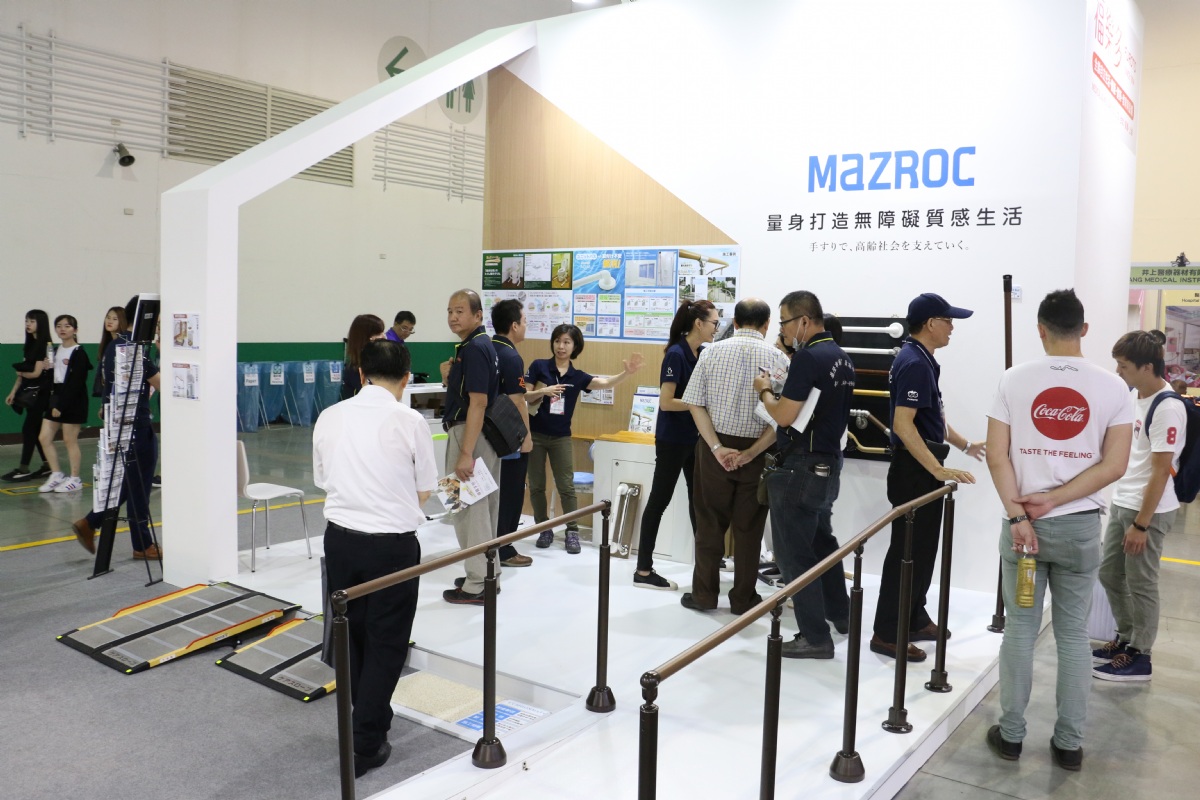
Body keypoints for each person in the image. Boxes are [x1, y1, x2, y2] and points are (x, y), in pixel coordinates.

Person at [984, 289, 1132, 770]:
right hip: (1079, 530)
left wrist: (1021, 515)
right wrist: (1058, 499)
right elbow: (1114, 466)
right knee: (1072, 636)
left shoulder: (1013, 379)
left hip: (1023, 532)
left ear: (1041, 329)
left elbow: (996, 455)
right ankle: (1069, 743)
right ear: (1084, 329)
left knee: (1020, 631)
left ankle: (1010, 736)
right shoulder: (1114, 388)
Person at [313, 339, 436, 779]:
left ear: (362, 374)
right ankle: (365, 743)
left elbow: (323, 478)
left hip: (340, 541)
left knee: (352, 635)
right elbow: (424, 489)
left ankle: (367, 717)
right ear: (406, 378)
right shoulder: (410, 420)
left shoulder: (330, 415)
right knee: (387, 641)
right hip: (392, 547)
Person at [870, 293, 984, 662]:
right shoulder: (915, 363)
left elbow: (933, 416)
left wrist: (966, 445)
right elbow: (903, 425)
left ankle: (915, 618)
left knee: (922, 551)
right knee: (906, 553)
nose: (952, 327)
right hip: (914, 471)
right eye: (948, 321)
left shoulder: (923, 360)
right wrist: (935, 468)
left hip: (923, 468)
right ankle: (887, 633)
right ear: (931, 323)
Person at [754, 291, 853, 658]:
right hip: (828, 464)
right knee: (822, 544)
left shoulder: (809, 358)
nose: (782, 330)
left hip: (800, 467)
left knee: (795, 555)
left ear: (804, 321)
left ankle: (814, 636)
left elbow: (784, 415)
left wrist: (765, 391)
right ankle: (841, 615)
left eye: (784, 322)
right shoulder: (842, 357)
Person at [680, 298, 789, 615]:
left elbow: (694, 403)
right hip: (758, 452)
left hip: (714, 448)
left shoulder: (710, 353)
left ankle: (704, 595)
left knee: (709, 523)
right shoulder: (779, 359)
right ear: (766, 325)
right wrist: (751, 453)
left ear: (736, 323)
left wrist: (716, 448)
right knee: (749, 528)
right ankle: (743, 599)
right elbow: (782, 418)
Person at [1093, 331, 1185, 682]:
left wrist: (1142, 524)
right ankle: (1127, 638)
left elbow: (1161, 470)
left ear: (1147, 367)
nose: (1118, 372)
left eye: (1124, 366)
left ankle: (1140, 655)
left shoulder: (1168, 407)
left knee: (1142, 583)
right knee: (1110, 574)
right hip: (1124, 500)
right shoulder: (1135, 397)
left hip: (1149, 510)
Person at [526, 324, 644, 554]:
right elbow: (524, 395)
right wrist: (543, 391)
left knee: (566, 486)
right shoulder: (539, 366)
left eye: (566, 342)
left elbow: (605, 383)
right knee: (537, 485)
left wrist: (626, 373)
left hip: (561, 437)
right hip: (535, 435)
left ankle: (572, 531)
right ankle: (543, 528)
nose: (561, 346)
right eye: (557, 341)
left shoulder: (577, 376)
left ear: (575, 346)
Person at [633, 299, 718, 590]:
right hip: (672, 440)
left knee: (699, 501)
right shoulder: (676, 354)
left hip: (693, 438)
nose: (716, 328)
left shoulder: (700, 353)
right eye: (713, 323)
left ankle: (706, 562)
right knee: (659, 500)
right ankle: (643, 571)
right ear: (698, 324)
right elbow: (666, 402)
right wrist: (698, 404)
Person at [71, 297, 161, 560]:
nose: (157, 327)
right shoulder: (134, 348)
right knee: (138, 486)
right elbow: (164, 384)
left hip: (120, 422)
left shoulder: (115, 346)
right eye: (156, 322)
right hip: (136, 424)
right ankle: (136, 541)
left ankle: (95, 523)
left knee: (130, 483)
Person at [439, 290, 503, 604]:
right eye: (450, 311)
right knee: (479, 508)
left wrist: (465, 453)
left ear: (478, 315)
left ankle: (478, 583)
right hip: (476, 434)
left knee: (468, 509)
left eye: (460, 311)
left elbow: (478, 401)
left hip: (469, 435)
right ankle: (487, 575)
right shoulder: (476, 345)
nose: (453, 317)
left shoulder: (476, 348)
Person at [489, 300, 558, 569]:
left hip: (488, 434)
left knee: (495, 493)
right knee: (511, 492)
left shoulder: (486, 348)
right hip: (508, 436)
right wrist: (526, 438)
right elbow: (518, 401)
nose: (526, 326)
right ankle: (504, 549)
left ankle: (490, 546)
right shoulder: (511, 356)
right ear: (514, 325)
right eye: (525, 321)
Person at [37, 315, 93, 493]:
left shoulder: (79, 353)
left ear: (75, 330)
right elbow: (53, 378)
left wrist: (61, 406)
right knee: (44, 437)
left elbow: (76, 382)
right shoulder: (54, 350)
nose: (62, 329)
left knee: (69, 440)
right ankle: (56, 474)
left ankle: (75, 478)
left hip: (73, 399)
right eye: (59, 326)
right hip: (57, 397)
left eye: (67, 326)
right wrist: (47, 369)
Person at [2, 310, 53, 482]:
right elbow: (23, 372)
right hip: (30, 392)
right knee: (36, 430)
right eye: (26, 321)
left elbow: (36, 373)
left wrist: (21, 373)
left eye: (32, 321)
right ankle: (47, 465)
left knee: (28, 428)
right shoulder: (30, 344)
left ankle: (23, 468)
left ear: (41, 323)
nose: (28, 324)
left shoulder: (45, 345)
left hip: (41, 394)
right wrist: (13, 392)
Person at [341, 314, 386, 400]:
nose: (384, 336)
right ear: (367, 337)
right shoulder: (354, 369)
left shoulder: (378, 363)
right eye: (379, 333)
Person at [92, 306, 128, 406]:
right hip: (108, 395)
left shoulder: (124, 344)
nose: (110, 321)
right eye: (108, 317)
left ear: (122, 321)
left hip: (121, 396)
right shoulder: (107, 344)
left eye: (115, 319)